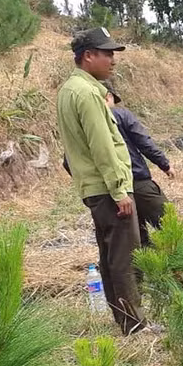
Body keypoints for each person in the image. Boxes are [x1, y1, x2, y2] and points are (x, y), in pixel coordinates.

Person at [56, 27, 145, 335]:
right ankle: (134, 324)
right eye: (107, 54)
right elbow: (101, 145)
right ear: (88, 56)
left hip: (94, 188)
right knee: (124, 258)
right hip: (108, 189)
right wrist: (120, 191)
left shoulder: (69, 89)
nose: (113, 60)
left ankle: (124, 320)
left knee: (109, 258)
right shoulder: (88, 93)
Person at [65, 81, 174, 247]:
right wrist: (164, 164)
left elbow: (69, 160)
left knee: (135, 239)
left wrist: (92, 185)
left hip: (109, 191)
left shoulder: (81, 124)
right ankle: (179, 266)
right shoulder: (120, 114)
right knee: (169, 226)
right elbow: (143, 141)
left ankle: (146, 268)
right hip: (137, 181)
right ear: (108, 96)